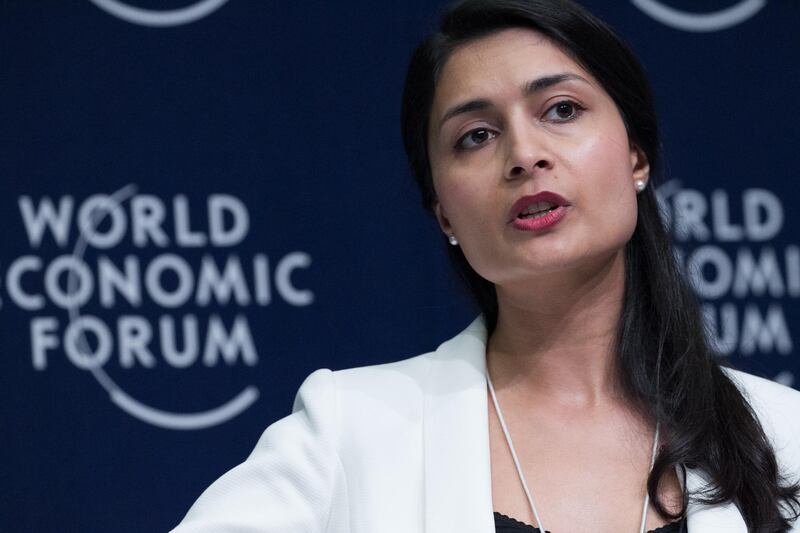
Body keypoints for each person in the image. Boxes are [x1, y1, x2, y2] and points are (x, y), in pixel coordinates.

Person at [171, 0, 800, 532]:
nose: (525, 155)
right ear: (443, 211)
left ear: (637, 155)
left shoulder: (786, 434)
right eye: (476, 135)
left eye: (561, 110)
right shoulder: (351, 430)